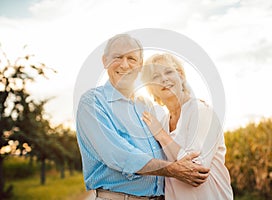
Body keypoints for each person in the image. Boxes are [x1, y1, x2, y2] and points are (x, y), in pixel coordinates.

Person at [76, 34, 210, 200]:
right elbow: (119, 155)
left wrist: (194, 104)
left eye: (132, 58)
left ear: (140, 66)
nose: (124, 64)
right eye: (118, 57)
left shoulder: (146, 106)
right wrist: (173, 169)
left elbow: (175, 131)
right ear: (105, 61)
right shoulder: (93, 103)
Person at [141, 53, 233, 200]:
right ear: (151, 88)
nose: (164, 79)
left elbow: (197, 169)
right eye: (155, 77)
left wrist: (160, 134)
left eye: (168, 71)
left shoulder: (201, 111)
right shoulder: (163, 122)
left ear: (181, 76)